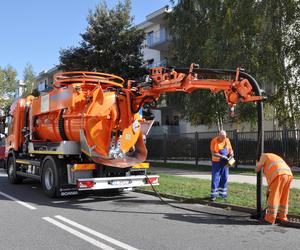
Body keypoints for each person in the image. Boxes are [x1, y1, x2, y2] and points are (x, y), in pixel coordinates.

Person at [255, 153, 293, 224]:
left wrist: (257, 163)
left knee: (274, 197)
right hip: (289, 175)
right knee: (284, 197)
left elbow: (257, 169)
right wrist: (268, 190)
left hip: (279, 175)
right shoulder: (272, 156)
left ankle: (270, 219)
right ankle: (283, 217)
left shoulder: (264, 156)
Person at [210, 130, 234, 201]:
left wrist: (232, 154)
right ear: (219, 135)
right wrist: (222, 156)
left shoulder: (227, 140)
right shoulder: (214, 141)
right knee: (215, 178)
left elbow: (230, 150)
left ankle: (223, 194)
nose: (224, 139)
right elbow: (213, 153)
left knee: (225, 177)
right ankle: (214, 195)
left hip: (225, 162)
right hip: (216, 162)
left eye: (225, 137)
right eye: (222, 137)